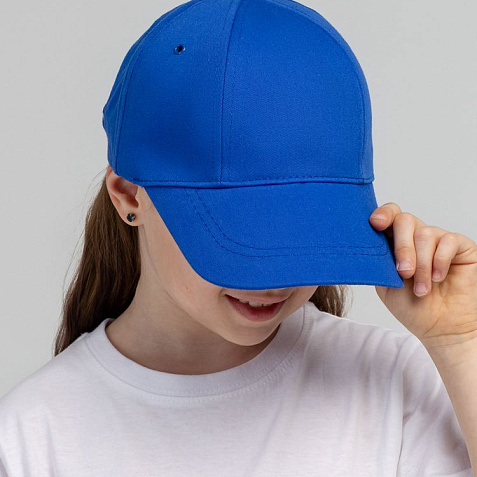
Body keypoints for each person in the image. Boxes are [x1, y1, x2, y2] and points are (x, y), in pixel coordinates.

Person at [0, 0, 474, 475]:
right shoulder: (31, 439)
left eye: (304, 230)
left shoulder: (396, 385)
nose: (274, 279)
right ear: (128, 194)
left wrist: (461, 343)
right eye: (242, 235)